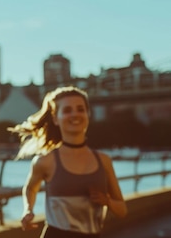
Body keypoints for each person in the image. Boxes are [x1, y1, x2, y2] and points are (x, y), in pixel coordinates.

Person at [8, 86, 127, 238]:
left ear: (88, 114)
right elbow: (30, 188)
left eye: (80, 109)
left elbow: (122, 210)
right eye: (67, 110)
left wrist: (107, 201)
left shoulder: (104, 161)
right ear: (55, 118)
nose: (75, 114)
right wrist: (28, 210)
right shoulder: (45, 161)